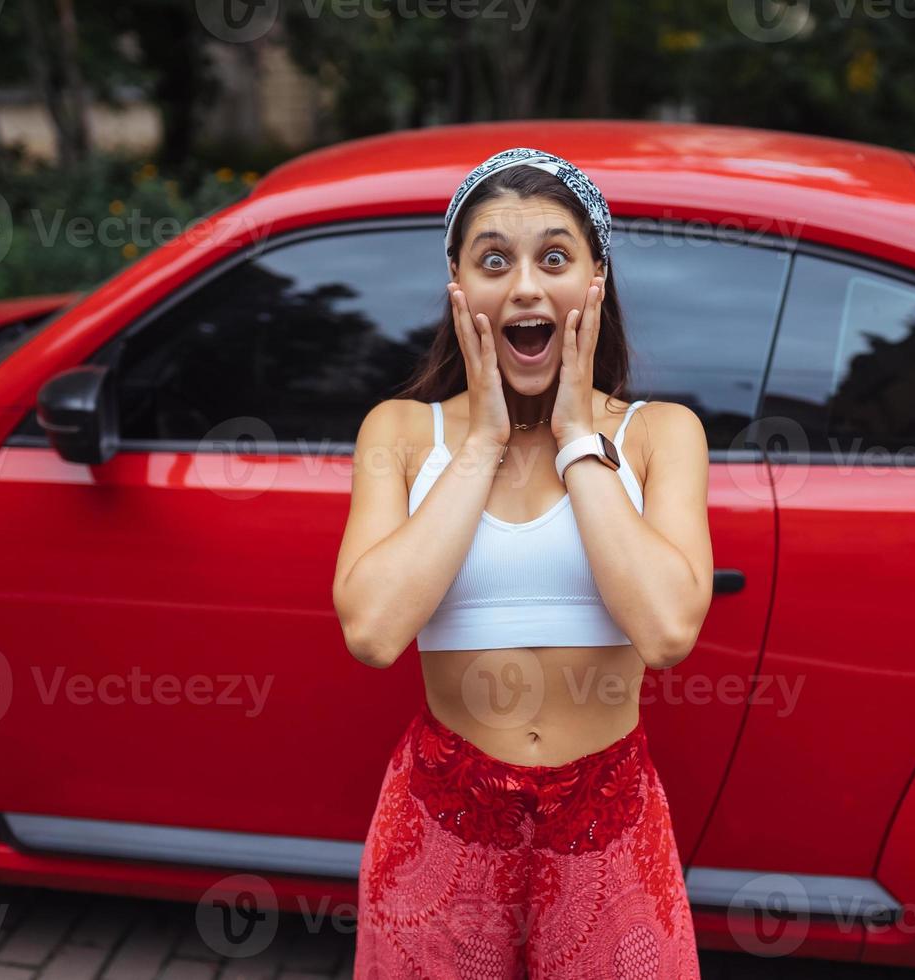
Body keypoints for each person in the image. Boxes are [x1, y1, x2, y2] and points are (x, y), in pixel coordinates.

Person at [333, 146, 712, 978]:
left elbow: (665, 628)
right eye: (494, 261)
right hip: (440, 820)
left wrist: (580, 439)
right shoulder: (399, 433)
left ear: (595, 281)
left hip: (609, 823)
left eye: (554, 257)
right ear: (458, 287)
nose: (527, 288)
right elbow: (372, 630)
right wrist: (482, 444)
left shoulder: (659, 434)